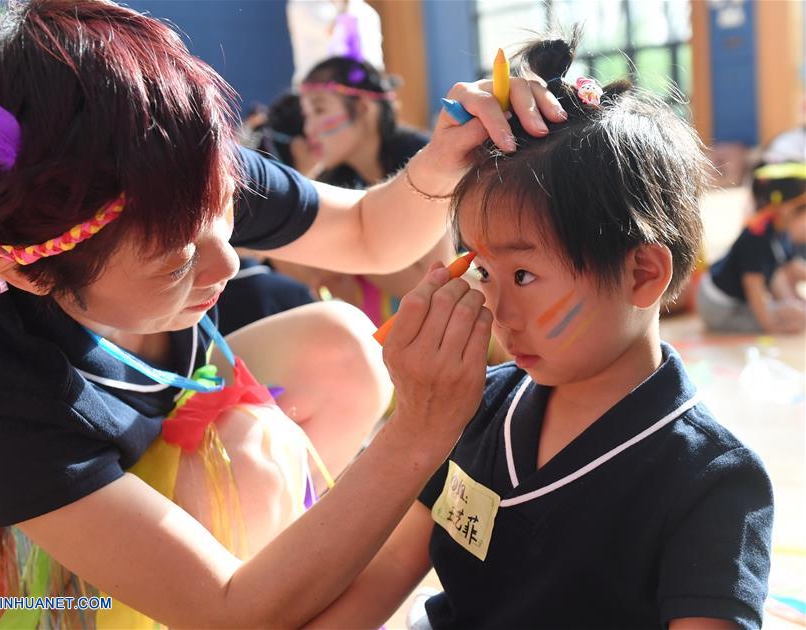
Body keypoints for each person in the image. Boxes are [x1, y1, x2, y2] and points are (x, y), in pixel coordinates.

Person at [0, 1, 564, 627]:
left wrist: (447, 154)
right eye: (176, 261)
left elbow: (367, 229)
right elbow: (227, 606)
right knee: (253, 472)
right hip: (2, 572)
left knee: (340, 351)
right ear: (29, 271)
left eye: (224, 217)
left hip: (115, 469)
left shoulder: (165, 171)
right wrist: (419, 435)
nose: (227, 266)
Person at [305, 31, 773, 630]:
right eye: (482, 269)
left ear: (641, 274)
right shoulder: (475, 413)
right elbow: (371, 589)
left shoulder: (714, 480)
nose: (496, 308)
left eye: (523, 273)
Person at [282, 55, 455, 327]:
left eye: (319, 110)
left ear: (363, 108)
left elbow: (436, 280)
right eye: (306, 116)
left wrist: (344, 253)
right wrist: (298, 180)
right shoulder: (339, 180)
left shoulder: (424, 164)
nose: (309, 129)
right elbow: (305, 270)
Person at [698, 162, 806, 334]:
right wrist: (772, 326)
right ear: (788, 210)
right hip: (719, 307)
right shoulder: (757, 237)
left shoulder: (779, 229)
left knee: (798, 312)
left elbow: (789, 268)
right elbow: (753, 287)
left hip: (738, 299)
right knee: (796, 317)